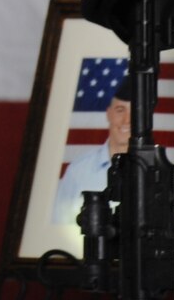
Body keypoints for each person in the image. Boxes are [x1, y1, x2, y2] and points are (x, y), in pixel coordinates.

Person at [51, 73, 134, 227]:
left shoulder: (157, 172)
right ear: (109, 114)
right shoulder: (78, 171)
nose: (127, 120)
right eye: (120, 110)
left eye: (134, 112)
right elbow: (57, 229)